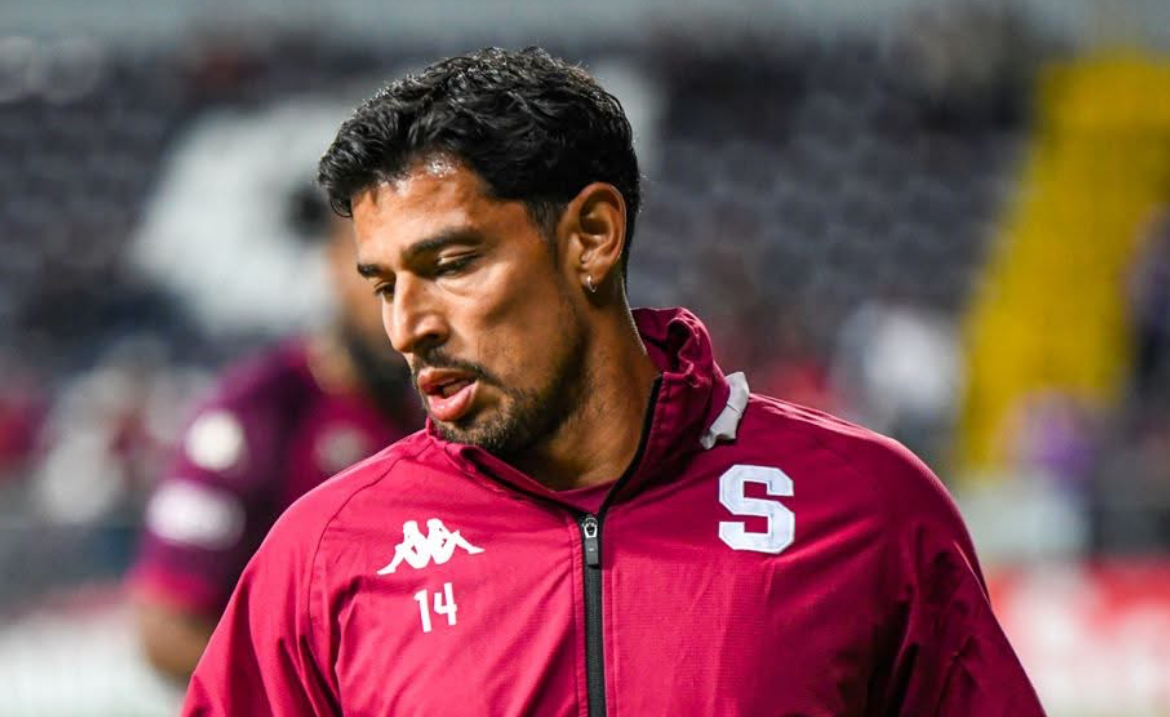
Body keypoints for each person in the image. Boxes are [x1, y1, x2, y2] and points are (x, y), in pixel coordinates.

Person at [183, 47, 1046, 715]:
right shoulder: (325, 551)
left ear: (592, 235)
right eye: (384, 285)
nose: (409, 326)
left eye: (450, 264)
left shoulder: (865, 508)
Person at [129, 186, 420, 682]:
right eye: (378, 273)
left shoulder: (461, 404)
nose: (406, 299)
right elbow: (167, 629)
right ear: (333, 264)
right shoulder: (255, 415)